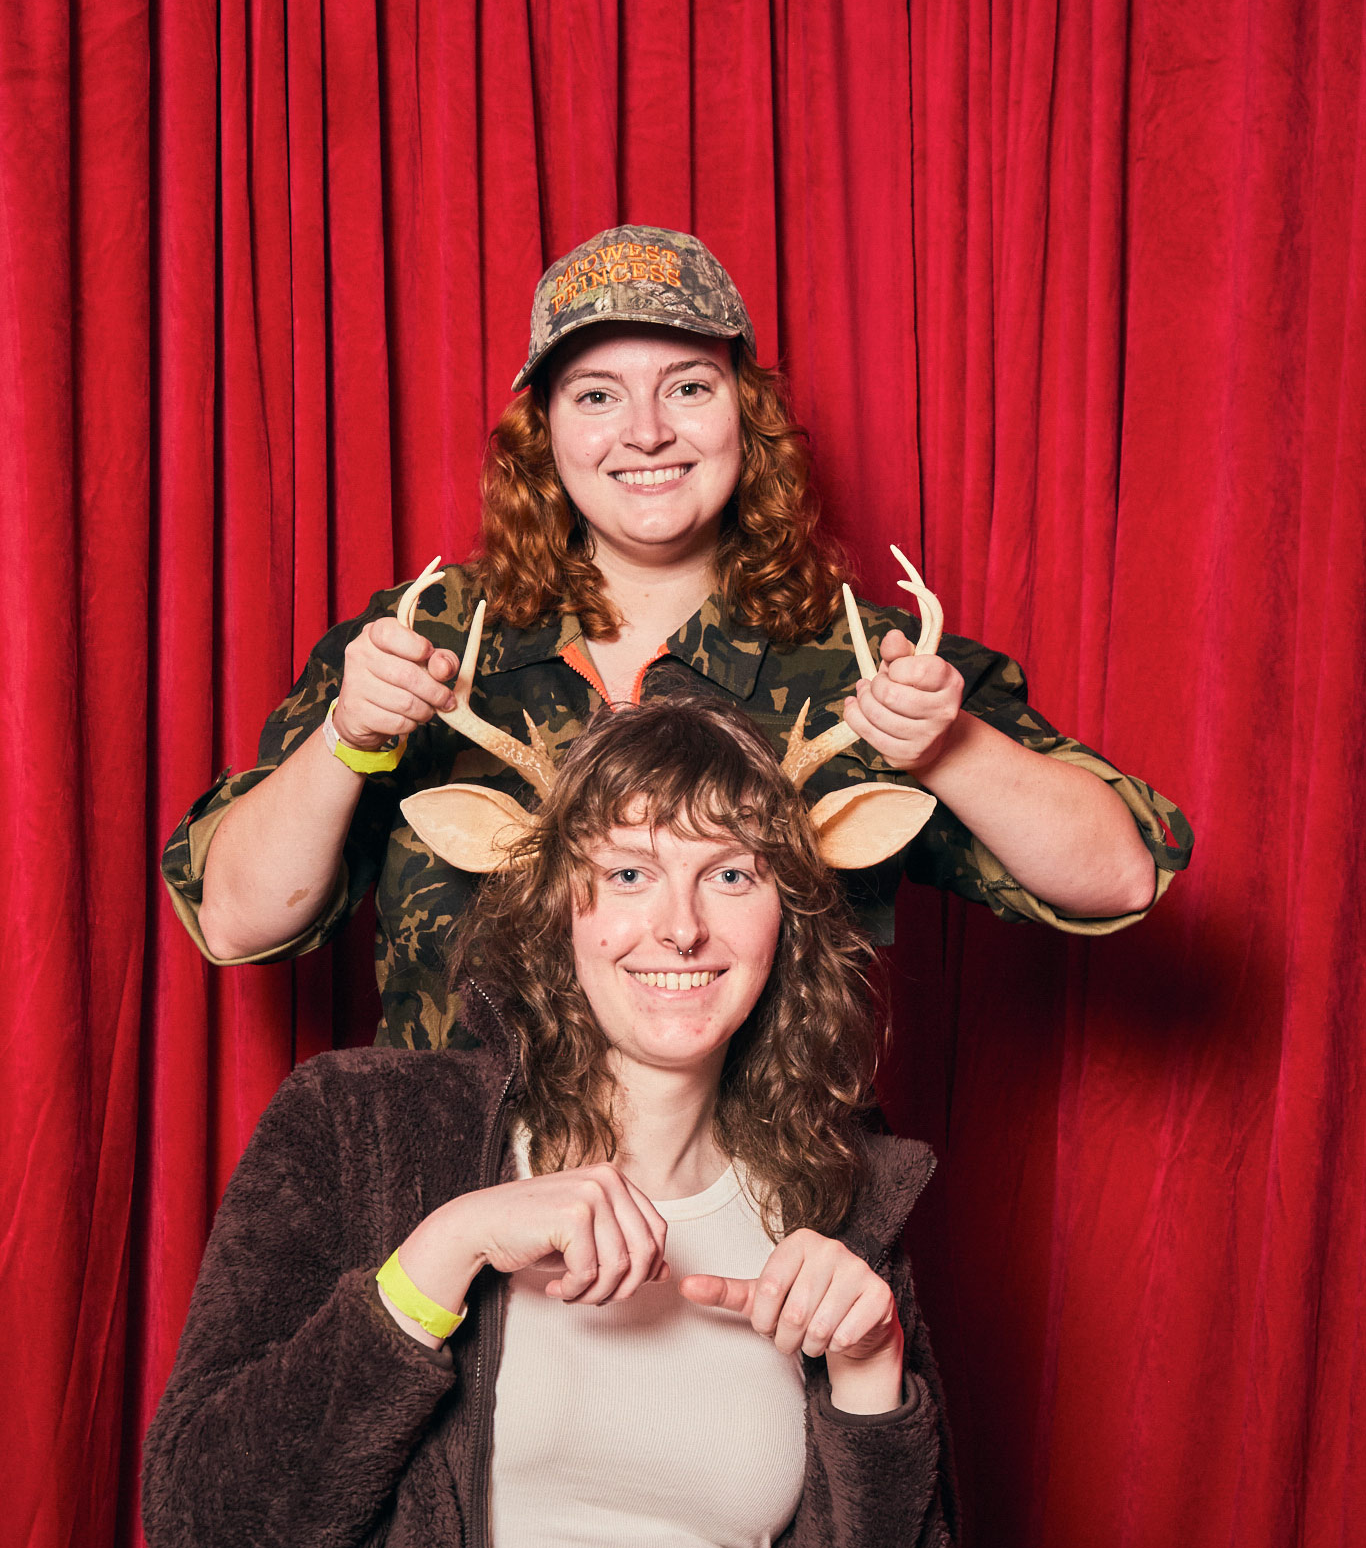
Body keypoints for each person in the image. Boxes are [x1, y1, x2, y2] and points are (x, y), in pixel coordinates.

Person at [142, 692, 978, 1548]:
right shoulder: (370, 1131)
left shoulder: (844, 1208)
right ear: (555, 903)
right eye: (628, 872)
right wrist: (442, 1253)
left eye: (731, 873)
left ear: (789, 911)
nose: (678, 927)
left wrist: (873, 1381)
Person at [161, 225, 1193, 1050]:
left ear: (746, 415)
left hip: (768, 1201)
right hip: (466, 1201)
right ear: (544, 432)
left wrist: (948, 744)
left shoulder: (867, 658)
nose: (647, 431)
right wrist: (348, 739)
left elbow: (1120, 874)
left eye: (688, 387)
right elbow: (238, 918)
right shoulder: (421, 641)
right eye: (596, 396)